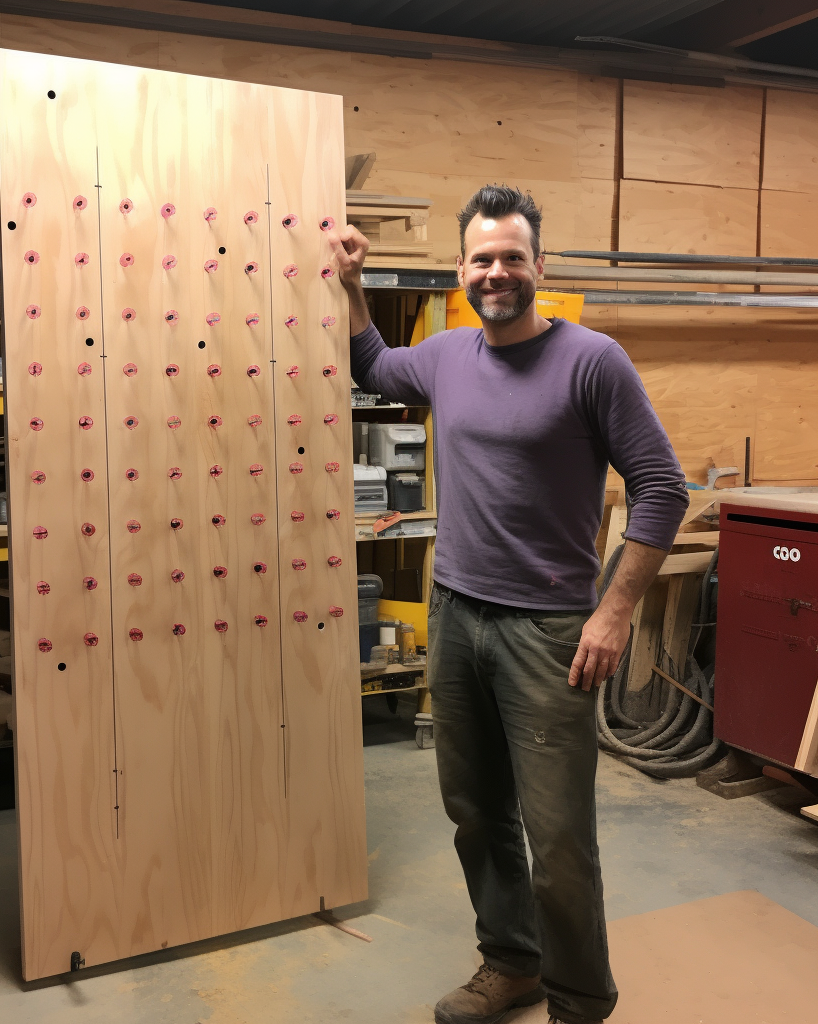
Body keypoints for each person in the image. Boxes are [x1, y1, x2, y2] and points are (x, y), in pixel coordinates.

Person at [330, 185, 689, 1024]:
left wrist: (613, 609)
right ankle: (512, 962)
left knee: (559, 837)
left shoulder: (593, 361)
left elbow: (662, 489)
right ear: (462, 271)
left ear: (539, 266)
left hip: (550, 628)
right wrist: (352, 284)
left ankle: (579, 1000)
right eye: (482, 259)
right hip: (457, 613)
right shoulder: (448, 355)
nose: (497, 272)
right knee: (476, 809)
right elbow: (372, 365)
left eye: (512, 258)